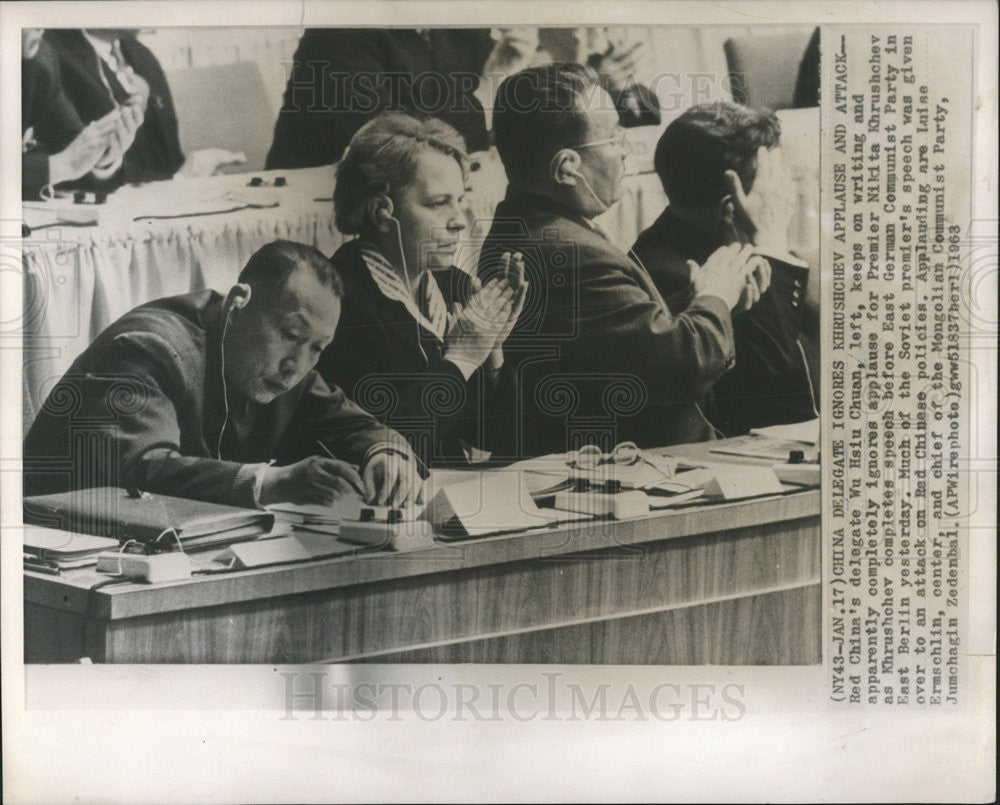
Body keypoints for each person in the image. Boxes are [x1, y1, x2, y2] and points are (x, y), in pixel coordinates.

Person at [479, 63, 762, 458]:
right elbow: (680, 367)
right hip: (641, 481)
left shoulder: (532, 227)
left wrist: (709, 308)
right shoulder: (568, 255)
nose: (627, 151)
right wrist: (716, 296)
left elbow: (611, 353)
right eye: (613, 139)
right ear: (567, 169)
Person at [23, 240, 423, 509]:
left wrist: (386, 453)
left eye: (318, 347)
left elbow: (358, 426)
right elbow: (144, 471)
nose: (296, 364)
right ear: (237, 303)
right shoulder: (147, 347)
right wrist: (274, 482)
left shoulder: (291, 368)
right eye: (291, 335)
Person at [318, 113, 527, 467]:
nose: (460, 220)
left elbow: (497, 439)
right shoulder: (340, 301)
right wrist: (460, 359)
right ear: (383, 212)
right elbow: (389, 445)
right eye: (437, 203)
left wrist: (492, 355)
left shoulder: (456, 286)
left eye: (460, 200)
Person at [631, 101, 817, 435]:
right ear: (730, 209)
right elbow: (775, 403)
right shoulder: (675, 277)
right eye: (774, 184)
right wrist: (772, 239)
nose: (787, 194)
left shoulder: (715, 244)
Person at [265, 27, 660, 170]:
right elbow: (389, 146)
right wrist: (490, 89)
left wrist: (597, 84)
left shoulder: (455, 29)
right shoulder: (339, 31)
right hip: (321, 214)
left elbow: (516, 128)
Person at [43, 29, 243, 189]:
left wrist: (193, 178)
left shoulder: (141, 54)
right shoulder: (48, 53)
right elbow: (69, 172)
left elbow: (171, 159)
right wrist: (180, 180)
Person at [21, 28, 143, 199]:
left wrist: (102, 159)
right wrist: (58, 166)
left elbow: (75, 149)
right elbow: (63, 164)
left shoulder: (43, 56)